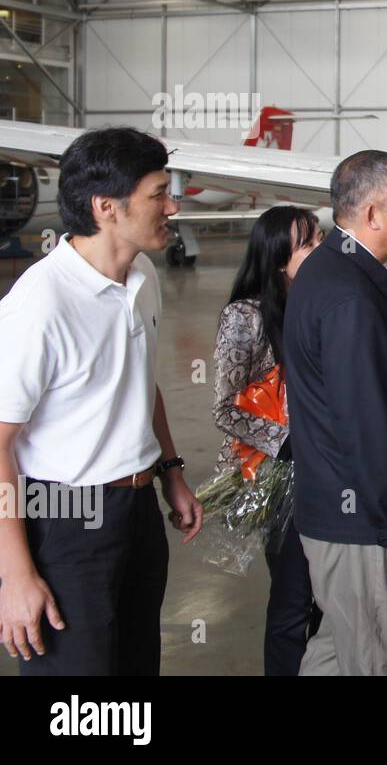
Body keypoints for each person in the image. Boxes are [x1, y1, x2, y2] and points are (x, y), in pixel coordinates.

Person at [0, 127, 203, 674]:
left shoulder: (141, 277)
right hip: (66, 516)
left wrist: (171, 473)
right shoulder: (40, 304)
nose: (173, 205)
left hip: (136, 510)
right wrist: (15, 574)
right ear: (106, 207)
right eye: (158, 194)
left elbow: (140, 382)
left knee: (134, 671)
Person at [282, 150, 387, 676]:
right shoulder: (349, 295)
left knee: (338, 651)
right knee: (378, 660)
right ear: (373, 215)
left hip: (340, 513)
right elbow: (364, 427)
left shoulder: (335, 272)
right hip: (364, 528)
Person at [212, 206, 324, 676]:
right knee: (294, 599)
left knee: (326, 598)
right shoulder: (246, 317)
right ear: (279, 257)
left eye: (321, 239)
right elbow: (226, 408)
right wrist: (291, 443)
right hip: (279, 477)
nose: (322, 250)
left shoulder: (316, 302)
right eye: (310, 244)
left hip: (326, 472)